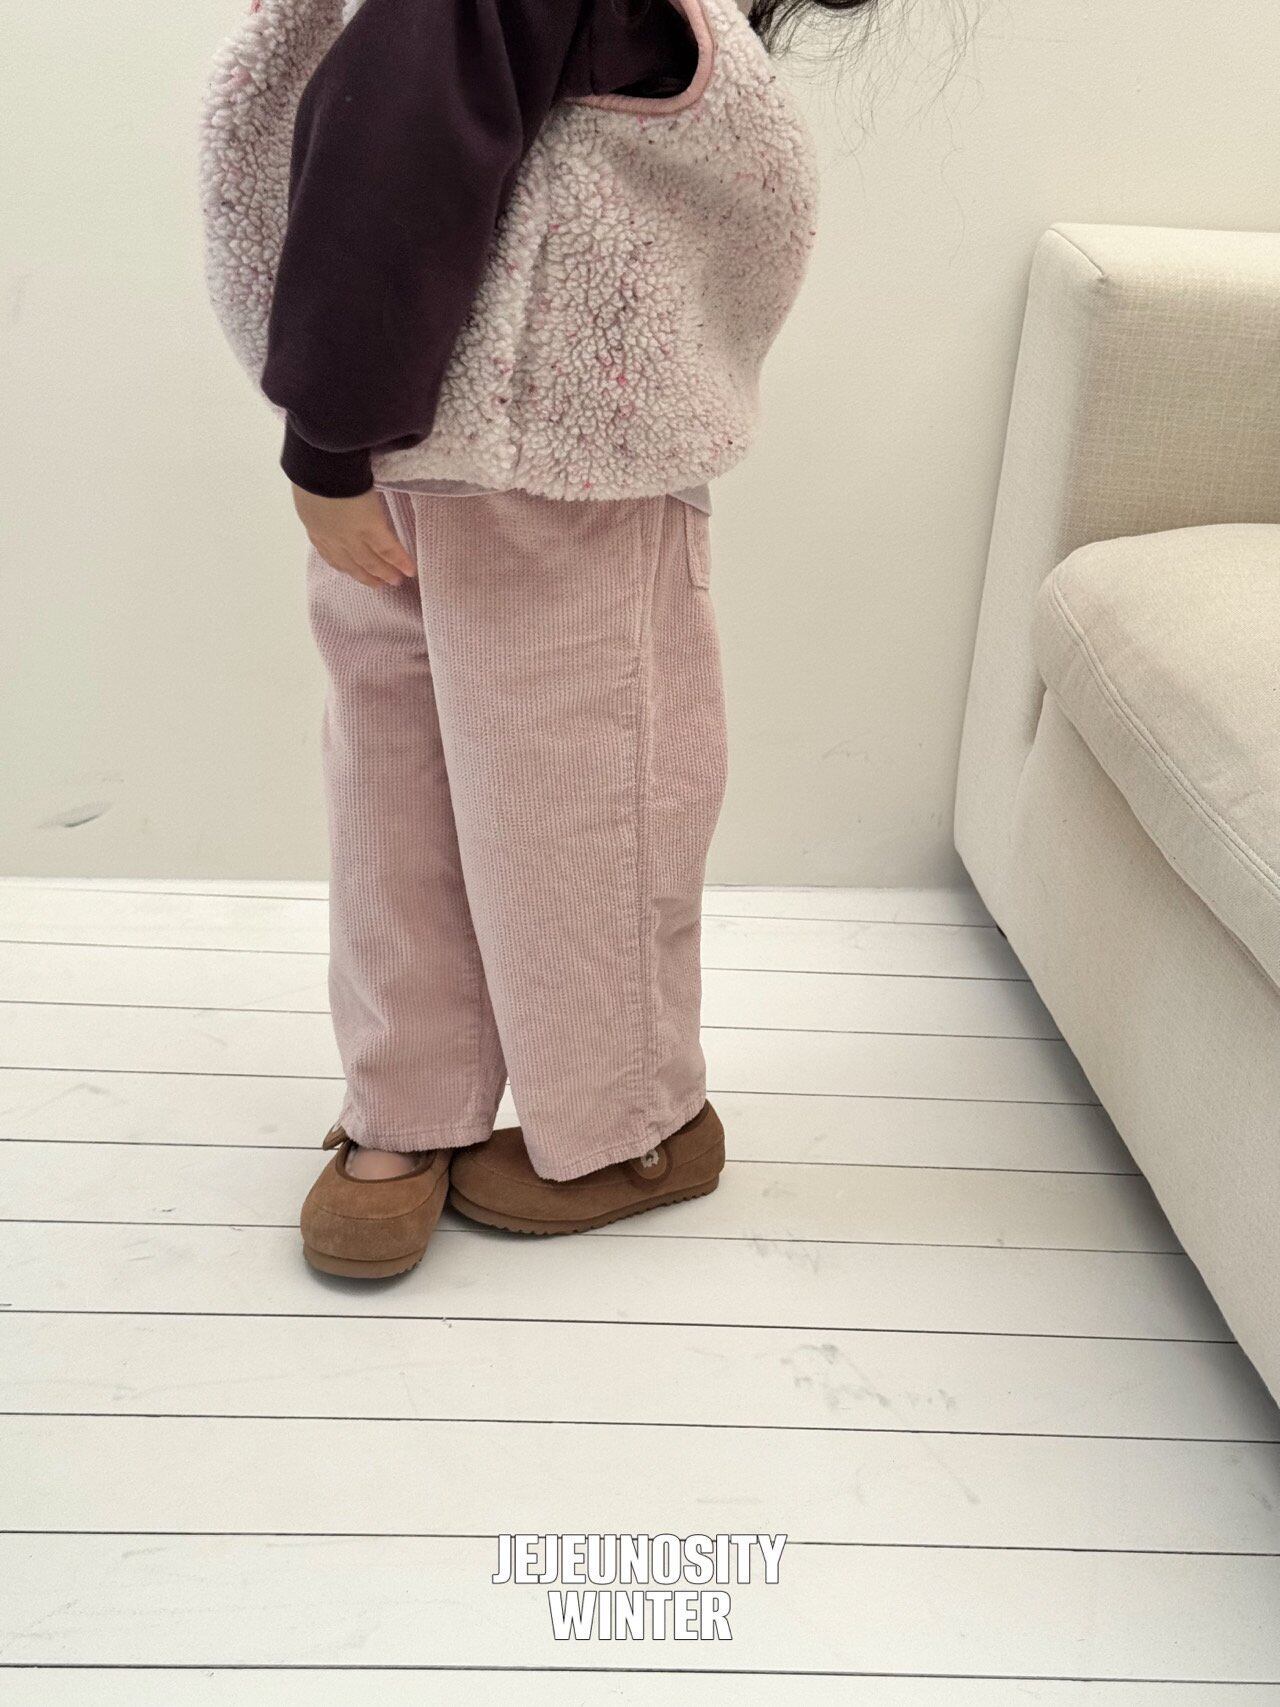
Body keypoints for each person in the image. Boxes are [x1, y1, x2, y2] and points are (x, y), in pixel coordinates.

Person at [201, 0, 863, 1279]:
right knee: (557, 796)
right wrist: (330, 438)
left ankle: (448, 1123)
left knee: (439, 785)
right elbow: (393, 155)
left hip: (449, 449)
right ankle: (574, 1121)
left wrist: (337, 437)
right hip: (519, 456)